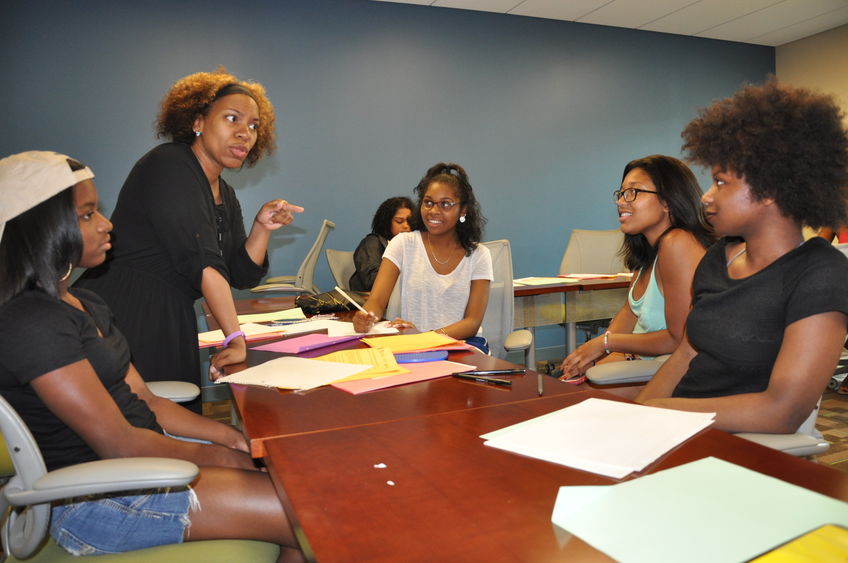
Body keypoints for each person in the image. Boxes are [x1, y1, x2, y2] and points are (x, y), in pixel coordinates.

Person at [0, 151, 301, 561]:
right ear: (39, 228)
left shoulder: (84, 302)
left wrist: (231, 437)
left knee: (297, 484)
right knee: (309, 509)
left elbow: (147, 400)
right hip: (94, 500)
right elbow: (120, 444)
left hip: (140, 467)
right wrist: (220, 456)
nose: (108, 224)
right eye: (87, 215)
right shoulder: (33, 322)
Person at [76, 69, 303, 409]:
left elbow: (238, 274)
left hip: (171, 317)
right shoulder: (170, 164)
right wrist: (235, 337)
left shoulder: (223, 191)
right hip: (125, 311)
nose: (245, 133)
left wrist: (261, 229)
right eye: (232, 119)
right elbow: (203, 264)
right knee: (146, 429)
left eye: (254, 126)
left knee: (171, 424)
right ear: (198, 121)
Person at [636, 80, 848, 433]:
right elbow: (687, 353)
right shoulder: (719, 257)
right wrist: (638, 415)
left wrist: (662, 413)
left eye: (720, 182)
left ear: (770, 189)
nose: (705, 196)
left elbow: (782, 410)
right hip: (676, 431)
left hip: (741, 446)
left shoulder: (822, 273)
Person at [558, 155, 714, 381]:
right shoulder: (648, 255)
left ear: (667, 201)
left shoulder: (677, 242)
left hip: (670, 372)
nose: (621, 201)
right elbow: (629, 313)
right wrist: (592, 355)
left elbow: (679, 338)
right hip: (643, 363)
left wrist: (604, 343)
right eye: (621, 193)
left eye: (633, 191)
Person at [352, 163, 492, 351]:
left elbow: (472, 322)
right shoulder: (402, 244)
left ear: (463, 210)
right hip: (408, 344)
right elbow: (377, 301)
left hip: (461, 345)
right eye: (428, 202)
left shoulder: (479, 255)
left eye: (445, 204)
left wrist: (425, 338)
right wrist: (367, 317)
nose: (434, 210)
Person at [349, 196, 414, 291]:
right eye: (399, 221)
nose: (406, 226)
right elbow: (372, 282)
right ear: (386, 222)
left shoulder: (415, 246)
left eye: (410, 221)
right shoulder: (372, 243)